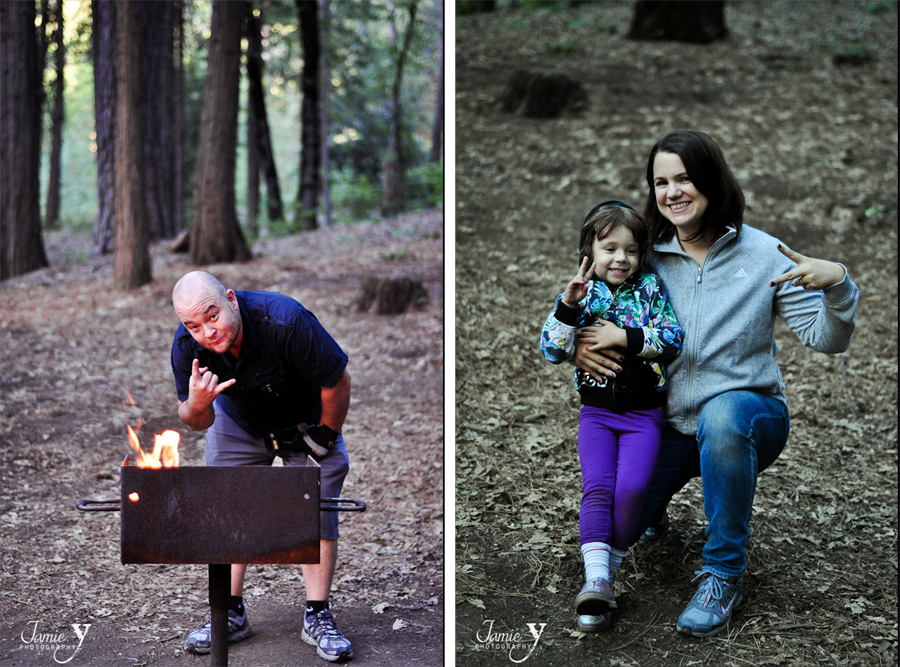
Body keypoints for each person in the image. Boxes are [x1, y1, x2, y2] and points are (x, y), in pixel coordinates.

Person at [573, 130, 859, 638]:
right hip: (663, 424)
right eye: (661, 182)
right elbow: (585, 305)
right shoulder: (647, 256)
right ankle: (653, 507)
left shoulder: (766, 254)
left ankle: (722, 573)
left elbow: (826, 339)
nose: (673, 192)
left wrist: (837, 280)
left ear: (711, 181)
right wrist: (577, 344)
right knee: (623, 519)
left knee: (723, 417)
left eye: (684, 178)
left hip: (747, 418)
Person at [170, 270, 355, 663]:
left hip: (306, 420)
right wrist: (198, 405)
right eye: (194, 325)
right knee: (225, 507)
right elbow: (194, 419)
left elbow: (337, 381)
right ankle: (230, 612)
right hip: (239, 422)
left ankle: (317, 615)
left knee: (315, 507)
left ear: (231, 299)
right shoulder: (188, 346)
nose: (207, 331)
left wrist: (323, 436)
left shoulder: (285, 320)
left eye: (212, 315)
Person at [540, 201, 682, 633]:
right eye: (610, 248)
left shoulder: (652, 288)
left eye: (631, 250)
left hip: (644, 415)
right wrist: (567, 306)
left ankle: (608, 568)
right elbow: (551, 348)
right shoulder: (582, 294)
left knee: (634, 489)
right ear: (590, 250)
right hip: (597, 413)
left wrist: (626, 336)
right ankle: (597, 581)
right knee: (598, 486)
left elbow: (672, 338)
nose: (621, 258)